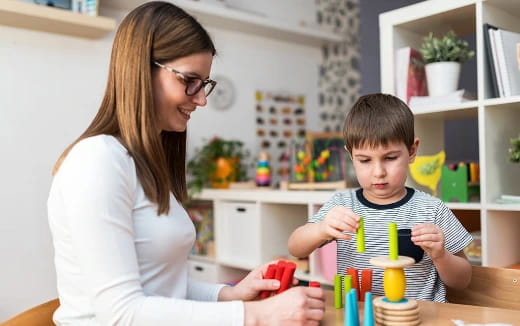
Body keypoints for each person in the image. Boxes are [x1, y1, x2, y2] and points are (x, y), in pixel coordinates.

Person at [47, 2, 324, 325]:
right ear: (142, 69)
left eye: (204, 83)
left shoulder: (141, 162)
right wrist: (256, 315)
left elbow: (161, 286)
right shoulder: (96, 160)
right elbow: (121, 313)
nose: (201, 99)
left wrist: (229, 294)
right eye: (190, 80)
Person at [288, 93, 473, 302]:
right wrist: (321, 229)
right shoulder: (341, 204)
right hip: (359, 316)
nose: (378, 172)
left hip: (419, 316)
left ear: (412, 151)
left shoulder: (432, 209)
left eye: (390, 158)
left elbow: (463, 280)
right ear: (351, 156)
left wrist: (441, 256)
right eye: (365, 160)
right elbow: (295, 247)